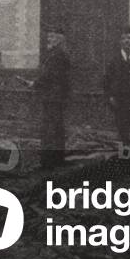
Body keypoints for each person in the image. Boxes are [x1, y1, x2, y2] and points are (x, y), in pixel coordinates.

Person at [28, 27, 72, 169]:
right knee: (56, 128)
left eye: (52, 37)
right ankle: (57, 159)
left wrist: (35, 83)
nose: (49, 39)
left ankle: (49, 161)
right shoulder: (58, 54)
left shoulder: (57, 55)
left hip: (53, 96)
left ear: (59, 39)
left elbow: (50, 75)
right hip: (56, 96)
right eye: (49, 37)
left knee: (50, 128)